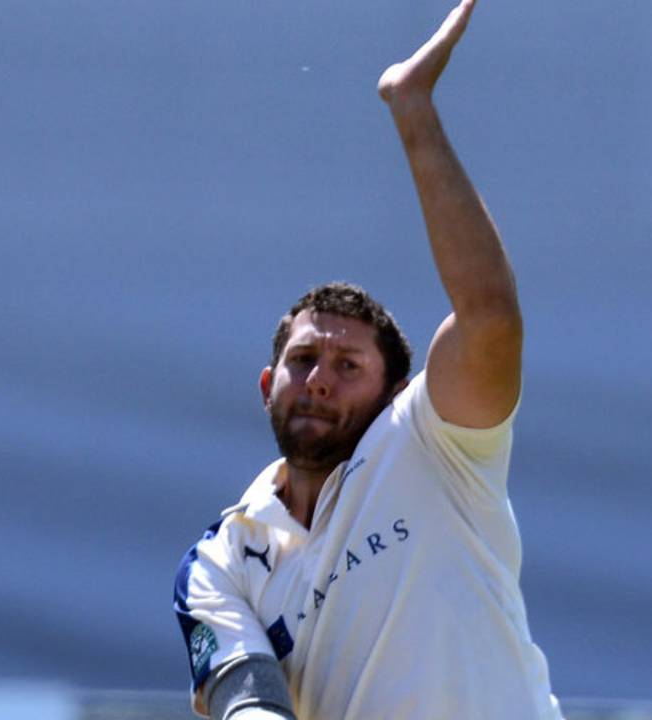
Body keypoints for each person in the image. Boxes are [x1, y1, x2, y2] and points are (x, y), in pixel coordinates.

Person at [173, 1, 562, 717]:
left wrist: (414, 115)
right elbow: (247, 698)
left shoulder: (431, 444)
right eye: (302, 360)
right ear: (266, 385)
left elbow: (490, 318)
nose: (319, 379)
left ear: (394, 395)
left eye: (348, 366)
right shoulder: (221, 558)